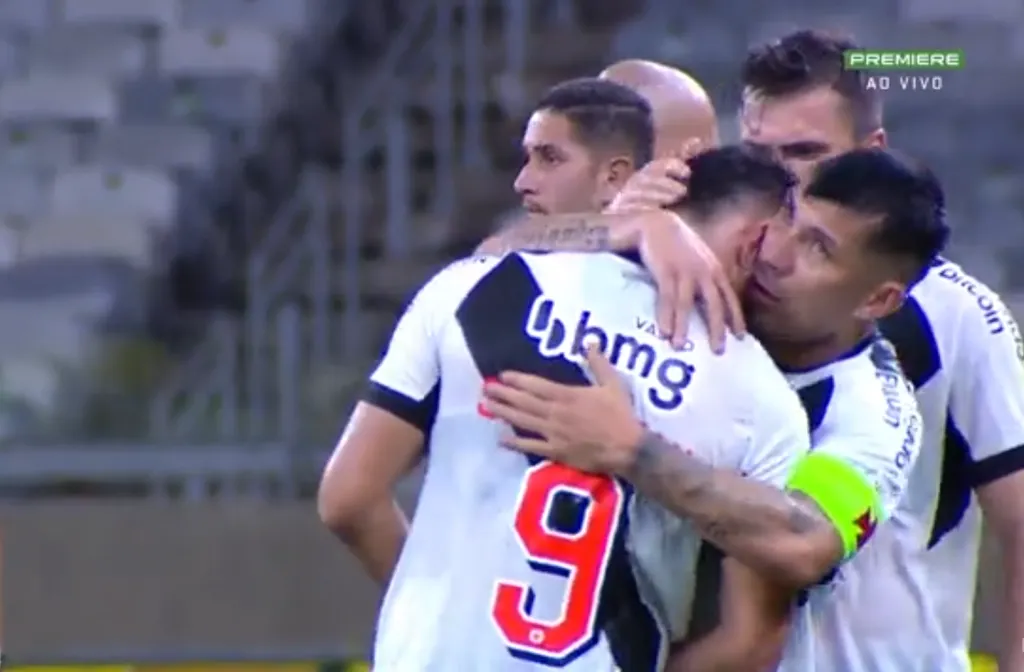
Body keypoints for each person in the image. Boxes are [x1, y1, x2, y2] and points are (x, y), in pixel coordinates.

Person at [319, 78, 810, 670]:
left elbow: (346, 499)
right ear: (759, 240)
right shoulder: (764, 397)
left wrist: (436, 603)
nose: (525, 180)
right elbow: (753, 638)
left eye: (549, 157)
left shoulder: (474, 288)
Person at [483, 147, 947, 669]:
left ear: (877, 302)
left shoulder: (869, 411)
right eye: (791, 215)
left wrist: (631, 449)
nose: (775, 252)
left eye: (819, 249)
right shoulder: (711, 290)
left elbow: (802, 543)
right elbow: (491, 254)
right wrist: (623, 228)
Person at [479, 60, 745, 353]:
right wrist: (625, 225)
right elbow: (493, 249)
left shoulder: (737, 239)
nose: (523, 182)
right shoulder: (560, 242)